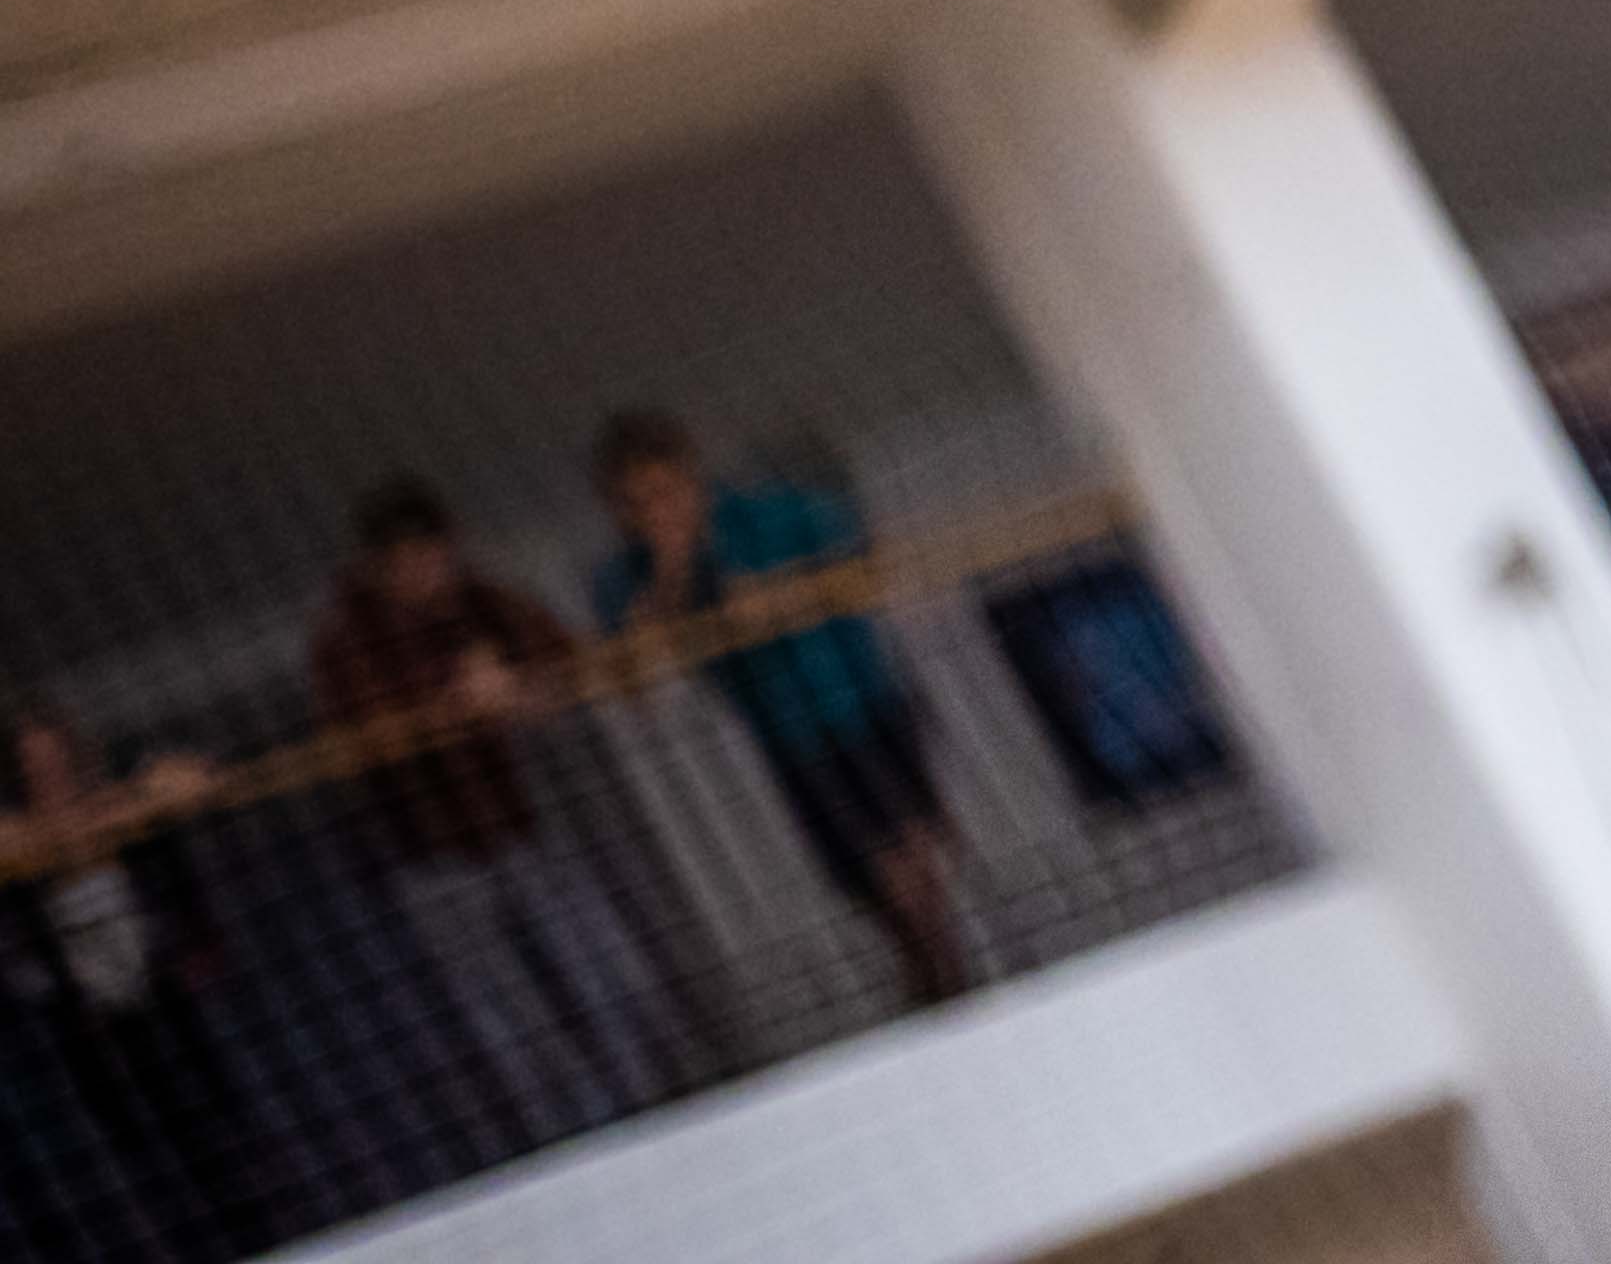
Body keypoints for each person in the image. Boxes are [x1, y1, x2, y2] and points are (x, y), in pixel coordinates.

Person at [306, 482, 689, 1149]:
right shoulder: (348, 641)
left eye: (432, 557)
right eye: (406, 564)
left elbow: (571, 665)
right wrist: (453, 702)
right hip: (430, 856)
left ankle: (650, 1108)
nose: (425, 575)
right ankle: (570, 1139)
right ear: (377, 567)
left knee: (609, 977)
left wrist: (523, 692)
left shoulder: (489, 603)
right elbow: (357, 739)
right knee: (509, 1020)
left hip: (522, 829)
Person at [592, 411, 968, 1005]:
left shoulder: (769, 514)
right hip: (789, 738)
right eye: (637, 504)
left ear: (691, 478)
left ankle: (947, 978)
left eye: (666, 493)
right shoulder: (627, 575)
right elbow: (638, 681)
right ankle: (932, 977)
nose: (657, 513)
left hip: (864, 698)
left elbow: (867, 559)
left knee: (911, 847)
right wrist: (672, 578)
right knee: (864, 873)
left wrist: (787, 596)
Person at [0, 707, 255, 1264]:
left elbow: (195, 776)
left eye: (57, 759)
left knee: (216, 1117)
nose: (51, 773)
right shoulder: (16, 837)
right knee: (130, 1142)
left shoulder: (125, 799)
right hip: (84, 1019)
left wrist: (140, 799)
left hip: (162, 989)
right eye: (35, 764)